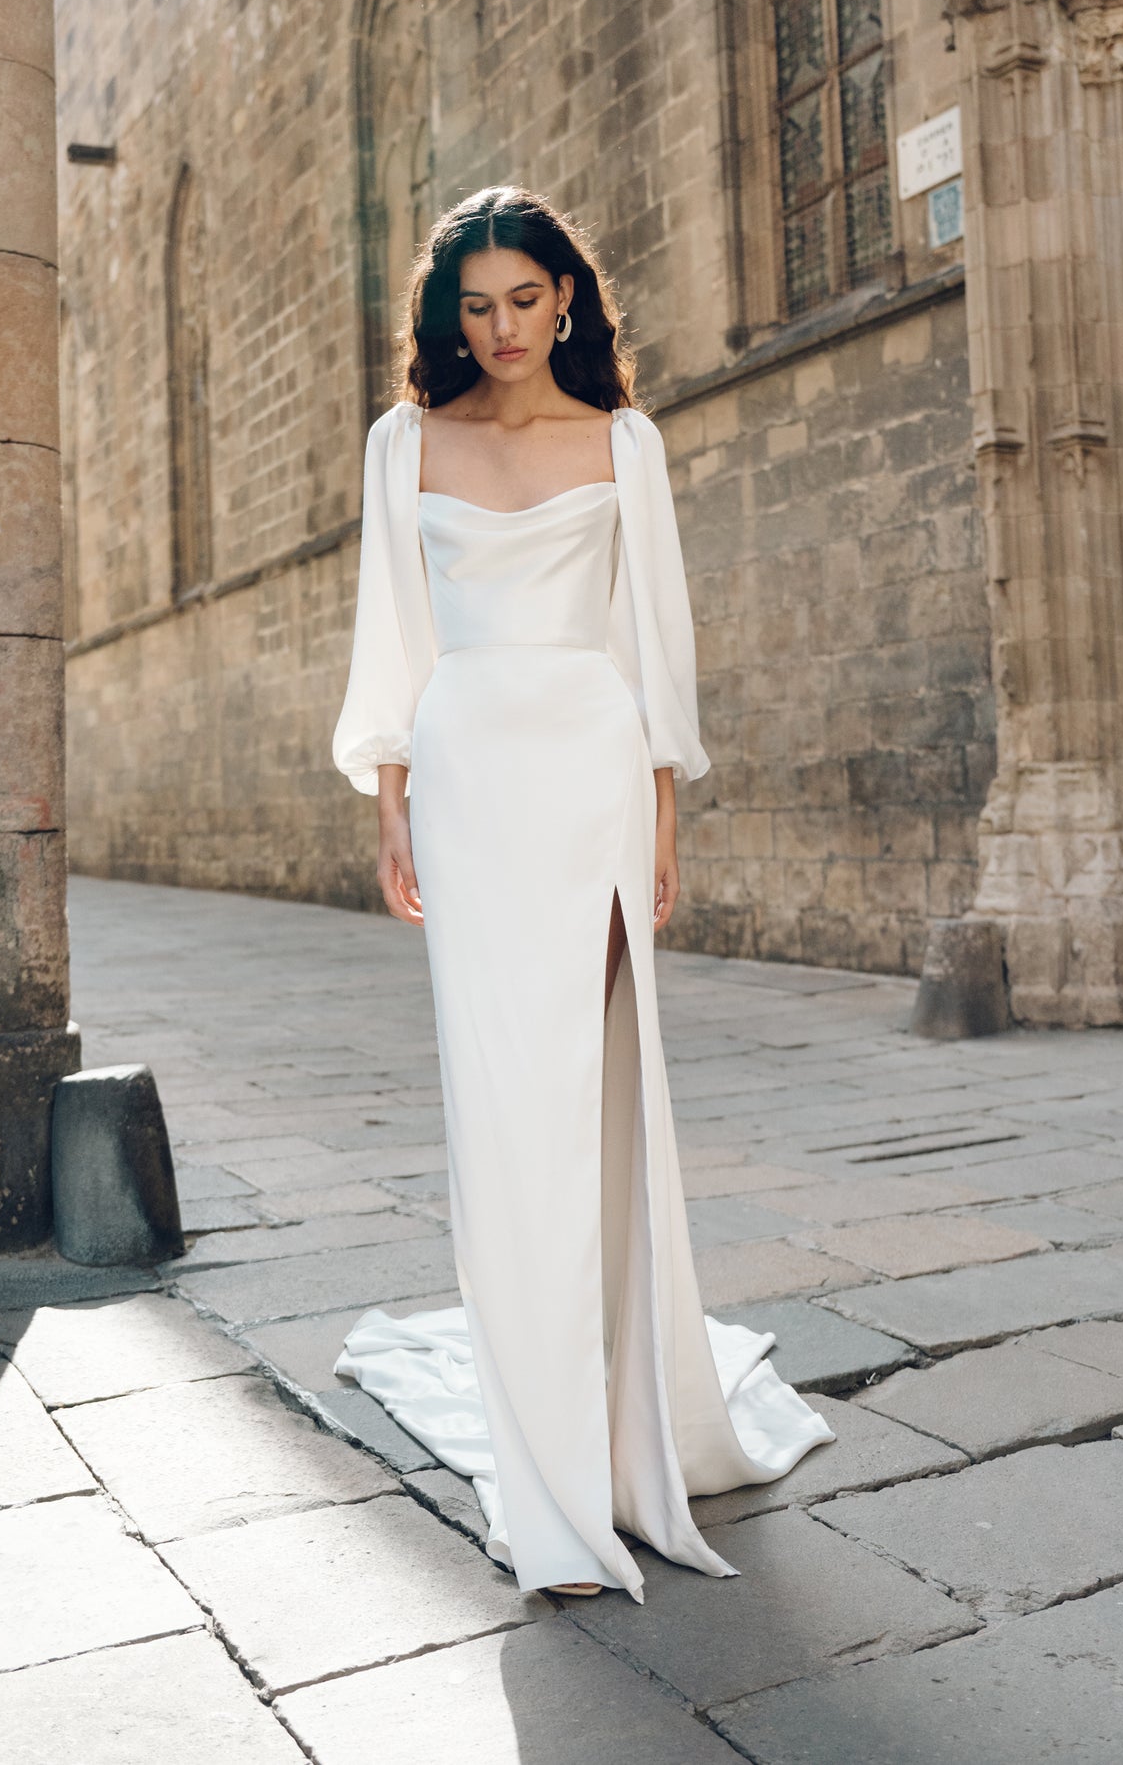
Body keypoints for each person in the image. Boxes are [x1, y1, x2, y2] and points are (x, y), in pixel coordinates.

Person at [332, 185, 832, 1602]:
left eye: (523, 299)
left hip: (596, 778)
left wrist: (665, 821)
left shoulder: (626, 441)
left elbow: (649, 639)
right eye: (474, 305)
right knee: (504, 1111)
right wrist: (394, 809)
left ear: (567, 301)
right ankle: (544, 1472)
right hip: (471, 774)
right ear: (451, 317)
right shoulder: (402, 443)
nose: (500, 328)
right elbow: (396, 634)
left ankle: (626, 1438)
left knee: (607, 1095)